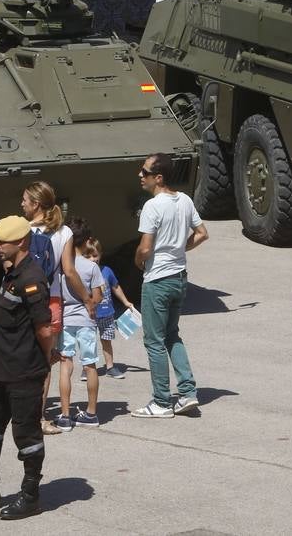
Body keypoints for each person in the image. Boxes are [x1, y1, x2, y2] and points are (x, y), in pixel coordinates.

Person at [0, 215, 56, 521]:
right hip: (2, 372)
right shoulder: (12, 273)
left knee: (26, 434)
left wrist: (45, 360)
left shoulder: (31, 279)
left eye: (0, 242)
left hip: (23, 372)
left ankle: (31, 496)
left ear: (20, 242)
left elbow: (44, 330)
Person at [132, 152, 208, 419]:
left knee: (153, 341)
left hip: (157, 281)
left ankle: (161, 401)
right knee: (172, 335)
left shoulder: (153, 206)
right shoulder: (185, 200)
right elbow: (201, 234)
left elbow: (145, 247)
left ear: (159, 177)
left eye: (145, 172)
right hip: (179, 278)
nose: (140, 176)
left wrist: (139, 261)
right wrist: (180, 249)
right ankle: (187, 393)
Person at [21, 181, 82, 437]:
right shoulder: (64, 232)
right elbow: (68, 271)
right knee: (44, 361)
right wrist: (87, 298)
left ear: (35, 204)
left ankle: (20, 411)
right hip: (52, 301)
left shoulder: (20, 229)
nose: (21, 203)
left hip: (23, 299)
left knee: (21, 355)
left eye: (25, 199)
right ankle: (39, 416)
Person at [54, 230, 104, 431]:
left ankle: (65, 415)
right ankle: (91, 412)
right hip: (87, 319)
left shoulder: (62, 266)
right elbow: (98, 297)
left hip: (66, 319)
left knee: (65, 364)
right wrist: (89, 302)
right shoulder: (92, 266)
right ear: (86, 242)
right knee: (90, 364)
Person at [80, 234, 134, 378]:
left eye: (95, 255)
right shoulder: (82, 273)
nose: (92, 259)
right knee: (88, 342)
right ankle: (87, 368)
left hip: (107, 313)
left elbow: (116, 287)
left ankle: (110, 366)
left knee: (106, 341)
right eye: (88, 256)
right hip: (89, 314)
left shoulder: (107, 271)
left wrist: (125, 302)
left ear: (101, 255)